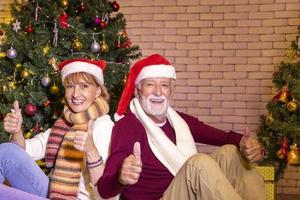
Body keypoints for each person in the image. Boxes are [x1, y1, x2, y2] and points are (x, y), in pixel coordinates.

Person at [97, 54, 267, 200]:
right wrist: (121, 177)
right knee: (198, 163)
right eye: (150, 85)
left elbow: (222, 137)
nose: (158, 92)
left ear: (171, 91)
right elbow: (104, 190)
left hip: (182, 192)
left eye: (164, 85)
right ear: (137, 91)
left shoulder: (178, 121)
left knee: (231, 152)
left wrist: (247, 144)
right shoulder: (128, 126)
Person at [0, 58, 116, 200]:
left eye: (84, 86)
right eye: (70, 86)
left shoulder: (104, 126)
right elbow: (23, 151)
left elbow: (108, 195)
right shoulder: (66, 121)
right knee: (6, 151)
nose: (75, 94)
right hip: (52, 191)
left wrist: (91, 151)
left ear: (98, 91)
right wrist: (16, 130)